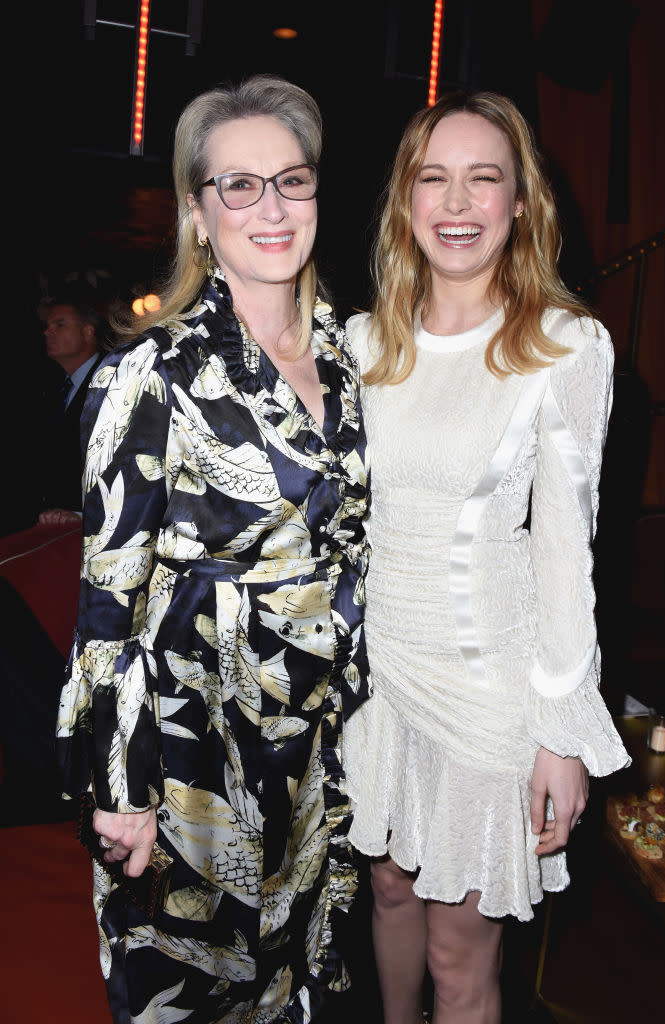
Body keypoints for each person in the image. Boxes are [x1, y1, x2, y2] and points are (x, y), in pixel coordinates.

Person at [55, 74, 370, 1024]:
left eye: (292, 180)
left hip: (319, 751)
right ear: (199, 213)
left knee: (290, 990)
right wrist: (118, 792)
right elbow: (106, 602)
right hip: (192, 753)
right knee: (190, 999)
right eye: (238, 185)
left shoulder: (353, 358)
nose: (270, 207)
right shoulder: (149, 372)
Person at [342, 90, 631, 1023]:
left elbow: (564, 553)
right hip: (378, 678)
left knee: (456, 952)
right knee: (385, 892)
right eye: (434, 178)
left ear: (519, 203)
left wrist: (559, 730)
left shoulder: (562, 345)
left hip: (488, 689)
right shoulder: (359, 344)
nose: (456, 203)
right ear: (405, 202)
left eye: (483, 179)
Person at [38, 296, 105, 525]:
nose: (48, 332)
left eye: (59, 325)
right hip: (51, 523)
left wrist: (80, 513)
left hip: (88, 528)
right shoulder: (49, 387)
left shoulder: (111, 382)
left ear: (87, 332)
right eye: (47, 326)